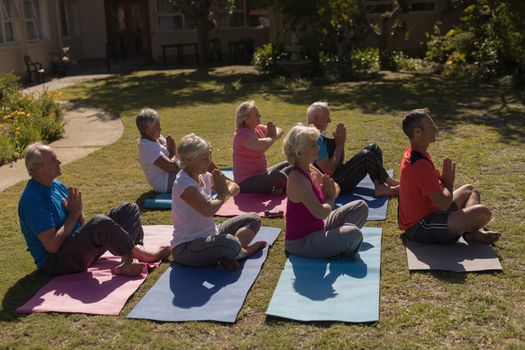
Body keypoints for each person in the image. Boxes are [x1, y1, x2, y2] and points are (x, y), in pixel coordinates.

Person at [18, 143, 170, 277]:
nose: (59, 161)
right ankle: (140, 255)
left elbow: (83, 224)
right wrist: (74, 214)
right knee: (100, 222)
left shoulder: (56, 185)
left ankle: (129, 259)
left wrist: (79, 217)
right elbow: (52, 246)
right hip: (57, 262)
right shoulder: (33, 200)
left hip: (79, 250)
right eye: (53, 160)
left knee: (128, 209)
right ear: (36, 168)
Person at [399, 108, 501, 245]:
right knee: (483, 213)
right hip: (420, 227)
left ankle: (473, 232)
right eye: (431, 125)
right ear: (417, 132)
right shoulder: (419, 164)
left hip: (433, 212)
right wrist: (448, 183)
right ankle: (472, 230)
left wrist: (442, 182)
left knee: (470, 190)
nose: (435, 128)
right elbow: (443, 204)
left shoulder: (415, 152)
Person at [171, 133, 267, 271]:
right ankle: (242, 252)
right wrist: (222, 194)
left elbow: (234, 186)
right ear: (188, 160)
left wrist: (226, 190)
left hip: (211, 233)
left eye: (209, 156)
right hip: (186, 248)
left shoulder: (203, 175)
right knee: (229, 241)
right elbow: (207, 210)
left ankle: (228, 254)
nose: (209, 162)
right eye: (204, 158)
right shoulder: (183, 184)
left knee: (253, 218)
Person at [282, 124, 369, 259]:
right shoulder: (297, 179)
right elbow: (321, 213)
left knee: (360, 206)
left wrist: (331, 194)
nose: (318, 148)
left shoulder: (310, 167)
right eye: (312, 146)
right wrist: (330, 197)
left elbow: (336, 186)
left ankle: (336, 244)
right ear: (299, 152)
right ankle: (340, 244)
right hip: (301, 242)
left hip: (319, 227)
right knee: (354, 234)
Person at [307, 101, 399, 197]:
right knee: (366, 156)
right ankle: (387, 180)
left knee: (373, 148)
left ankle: (379, 186)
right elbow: (329, 171)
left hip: (336, 176)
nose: (330, 120)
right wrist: (339, 144)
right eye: (327, 116)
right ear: (316, 118)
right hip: (331, 185)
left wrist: (340, 143)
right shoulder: (314, 137)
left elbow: (338, 163)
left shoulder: (319, 134)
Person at [232, 100, 289, 195]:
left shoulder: (257, 128)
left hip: (262, 174)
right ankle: (277, 187)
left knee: (291, 163)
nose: (260, 116)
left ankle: (273, 188)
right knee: (278, 176)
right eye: (256, 115)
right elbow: (260, 145)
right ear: (245, 119)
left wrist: (272, 135)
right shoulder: (241, 135)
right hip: (246, 183)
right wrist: (272, 136)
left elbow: (280, 130)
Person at [136, 108, 180, 193]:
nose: (160, 129)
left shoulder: (157, 138)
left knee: (197, 155)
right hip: (165, 183)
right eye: (157, 127)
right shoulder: (147, 148)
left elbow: (177, 159)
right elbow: (171, 167)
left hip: (173, 174)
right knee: (195, 164)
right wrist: (173, 150)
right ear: (147, 130)